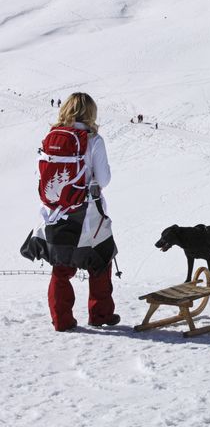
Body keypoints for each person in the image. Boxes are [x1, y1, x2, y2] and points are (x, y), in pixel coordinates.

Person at [21, 93, 120, 332]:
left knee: (62, 268)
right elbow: (103, 179)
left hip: (56, 212)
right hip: (87, 213)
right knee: (100, 261)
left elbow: (39, 175)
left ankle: (61, 319)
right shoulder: (93, 140)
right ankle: (100, 314)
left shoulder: (50, 138)